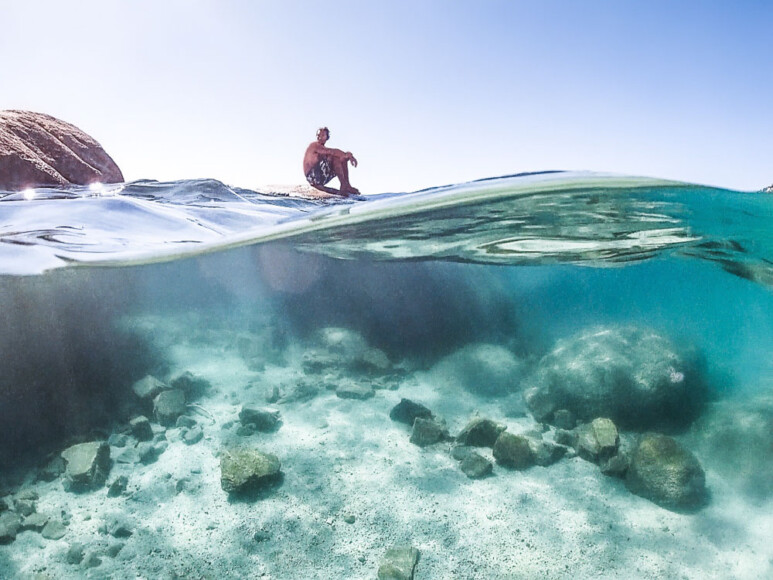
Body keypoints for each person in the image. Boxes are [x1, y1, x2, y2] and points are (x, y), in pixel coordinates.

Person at [303, 127, 360, 196]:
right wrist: (346, 155)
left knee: (342, 158)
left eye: (322, 135)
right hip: (312, 177)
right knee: (336, 157)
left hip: (320, 178)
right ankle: (344, 185)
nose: (320, 137)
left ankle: (346, 185)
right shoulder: (314, 145)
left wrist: (347, 156)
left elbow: (335, 154)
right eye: (318, 135)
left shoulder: (323, 150)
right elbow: (331, 151)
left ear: (327, 137)